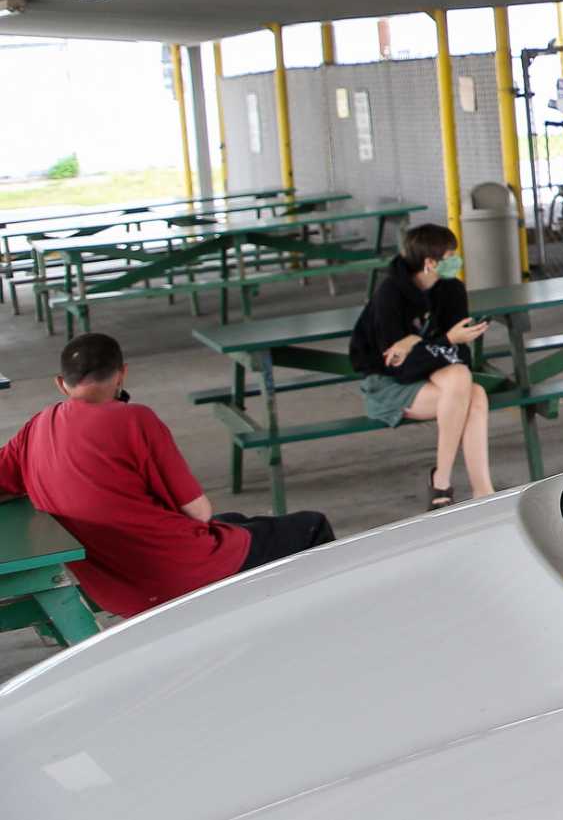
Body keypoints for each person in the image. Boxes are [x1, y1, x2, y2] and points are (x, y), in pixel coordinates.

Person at [0, 333, 334, 618]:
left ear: (61, 383)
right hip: (168, 574)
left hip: (113, 585)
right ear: (121, 375)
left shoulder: (36, 427)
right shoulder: (134, 420)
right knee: (310, 527)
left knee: (236, 521)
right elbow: (198, 512)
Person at [350, 223, 494, 509]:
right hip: (388, 384)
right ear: (430, 263)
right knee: (470, 391)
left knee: (466, 382)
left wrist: (418, 343)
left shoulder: (452, 290)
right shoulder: (389, 295)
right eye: (451, 255)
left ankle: (468, 487)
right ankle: (454, 485)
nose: (457, 261)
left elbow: (459, 356)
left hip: (435, 377)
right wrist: (445, 340)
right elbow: (397, 368)